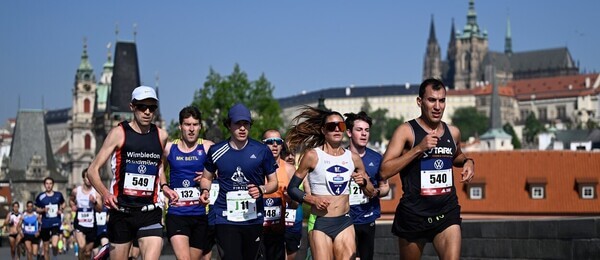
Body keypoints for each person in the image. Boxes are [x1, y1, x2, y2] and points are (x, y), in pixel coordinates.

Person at [380, 78, 475, 260]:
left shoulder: (453, 132)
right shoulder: (406, 131)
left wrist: (468, 161)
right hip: (414, 215)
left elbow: (456, 155)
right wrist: (418, 149)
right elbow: (384, 170)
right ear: (419, 102)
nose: (438, 106)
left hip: (447, 213)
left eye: (442, 100)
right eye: (432, 100)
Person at [87, 85, 169, 260]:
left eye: (152, 107)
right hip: (122, 211)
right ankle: (108, 250)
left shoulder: (161, 136)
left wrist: (164, 185)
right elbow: (92, 170)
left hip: (150, 211)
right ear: (132, 107)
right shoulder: (118, 133)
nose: (147, 112)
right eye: (142, 107)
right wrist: (105, 194)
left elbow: (160, 165)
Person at [286, 106, 375, 260]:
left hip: (344, 221)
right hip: (320, 223)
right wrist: (312, 199)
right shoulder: (313, 155)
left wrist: (364, 183)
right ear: (323, 130)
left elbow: (371, 192)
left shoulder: (352, 158)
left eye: (340, 126)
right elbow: (292, 188)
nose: (336, 129)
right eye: (331, 126)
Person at [199, 103, 279, 260]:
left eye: (246, 124)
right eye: (238, 123)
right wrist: (205, 191)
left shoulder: (261, 150)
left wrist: (261, 189)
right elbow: (206, 177)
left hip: (253, 218)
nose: (242, 128)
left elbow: (273, 182)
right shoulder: (216, 151)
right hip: (225, 217)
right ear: (229, 125)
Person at [160, 106, 214, 260]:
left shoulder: (208, 147)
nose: (191, 129)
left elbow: (223, 171)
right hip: (177, 213)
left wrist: (209, 176)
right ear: (180, 126)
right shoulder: (170, 148)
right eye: (187, 124)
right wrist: (164, 187)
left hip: (199, 214)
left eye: (195, 124)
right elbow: (159, 168)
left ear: (200, 127)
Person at [344, 111, 390, 260]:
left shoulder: (376, 158)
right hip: (345, 218)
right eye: (359, 130)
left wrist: (374, 192)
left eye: (367, 130)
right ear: (349, 132)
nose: (364, 134)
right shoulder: (339, 156)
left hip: (367, 217)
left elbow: (385, 187)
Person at [261, 129, 292, 260]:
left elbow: (295, 204)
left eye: (278, 142)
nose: (274, 145)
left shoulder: (289, 169)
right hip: (257, 229)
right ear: (263, 144)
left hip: (278, 230)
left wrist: (290, 199)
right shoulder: (254, 167)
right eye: (270, 142)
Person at [69, 168, 103, 260]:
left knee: (88, 252)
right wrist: (72, 205)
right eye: (87, 178)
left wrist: (95, 202)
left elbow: (100, 209)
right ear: (83, 179)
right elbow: (71, 200)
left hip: (91, 224)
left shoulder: (96, 193)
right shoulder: (76, 191)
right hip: (79, 223)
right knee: (82, 246)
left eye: (90, 178)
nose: (89, 180)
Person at [280, 143, 303, 260]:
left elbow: (310, 193)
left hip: (295, 219)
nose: (290, 157)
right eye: (286, 154)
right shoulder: (275, 171)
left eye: (292, 154)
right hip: (278, 221)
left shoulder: (302, 172)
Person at [35, 177, 66, 260]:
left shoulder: (58, 195)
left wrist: (61, 210)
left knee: (55, 245)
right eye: (47, 183)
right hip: (45, 224)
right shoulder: (41, 196)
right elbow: (36, 209)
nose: (48, 185)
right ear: (44, 185)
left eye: (50, 183)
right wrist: (43, 210)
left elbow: (63, 204)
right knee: (45, 249)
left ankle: (55, 250)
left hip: (55, 222)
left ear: (53, 185)